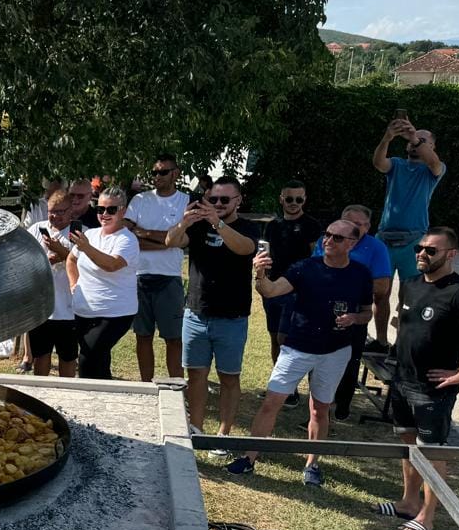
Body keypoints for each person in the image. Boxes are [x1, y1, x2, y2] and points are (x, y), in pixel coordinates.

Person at [370, 228, 459, 530]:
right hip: (402, 381)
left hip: (433, 390)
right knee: (408, 446)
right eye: (420, 248)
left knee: (432, 452)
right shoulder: (411, 284)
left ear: (451, 254)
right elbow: (405, 325)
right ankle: (408, 503)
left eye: (431, 250)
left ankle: (427, 517)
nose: (422, 254)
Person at [229, 217, 374, 483]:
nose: (328, 241)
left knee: (320, 408)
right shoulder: (305, 268)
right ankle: (249, 458)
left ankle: (312, 464)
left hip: (335, 350)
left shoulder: (361, 274)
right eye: (326, 235)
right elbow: (270, 291)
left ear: (353, 243)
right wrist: (259, 273)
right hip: (297, 348)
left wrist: (354, 319)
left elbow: (367, 313)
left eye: (337, 238)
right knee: (271, 402)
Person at [166, 176, 260, 444]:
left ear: (238, 201)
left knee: (229, 378)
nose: (217, 204)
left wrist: (217, 223)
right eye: (213, 199)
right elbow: (170, 241)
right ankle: (195, 428)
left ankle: (223, 434)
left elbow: (246, 249)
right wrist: (186, 220)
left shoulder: (247, 227)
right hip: (196, 314)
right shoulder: (197, 227)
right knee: (196, 375)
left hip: (232, 317)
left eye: (224, 200)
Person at [371, 116, 446, 345]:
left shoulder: (433, 171)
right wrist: (388, 136)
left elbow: (433, 162)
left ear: (431, 147)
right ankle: (382, 341)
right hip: (384, 238)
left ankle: (401, 344)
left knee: (409, 296)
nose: (415, 143)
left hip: (413, 241)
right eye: (412, 140)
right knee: (380, 293)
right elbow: (378, 162)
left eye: (423, 141)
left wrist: (414, 136)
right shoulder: (397, 165)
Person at [318, 204, 394, 422]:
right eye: (350, 224)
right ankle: (320, 406)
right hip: (323, 313)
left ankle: (343, 405)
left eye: (360, 225)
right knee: (319, 361)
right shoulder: (329, 241)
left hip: (355, 315)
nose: (355, 229)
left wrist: (347, 285)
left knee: (349, 363)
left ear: (368, 227)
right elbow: (315, 269)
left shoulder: (376, 248)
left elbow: (381, 287)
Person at [125, 154, 189, 382]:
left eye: (163, 172)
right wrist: (165, 240)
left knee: (174, 338)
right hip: (140, 277)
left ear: (176, 173)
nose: (157, 177)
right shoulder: (140, 200)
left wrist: (144, 233)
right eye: (154, 172)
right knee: (143, 336)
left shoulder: (185, 201)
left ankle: (177, 386)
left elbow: (183, 239)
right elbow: (127, 236)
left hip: (169, 278)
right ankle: (146, 386)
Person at [67, 188, 138, 380]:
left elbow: (112, 264)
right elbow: (71, 260)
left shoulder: (128, 240)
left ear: (123, 211)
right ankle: (107, 397)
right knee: (99, 360)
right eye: (100, 209)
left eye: (111, 210)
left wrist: (86, 248)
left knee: (87, 357)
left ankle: (86, 400)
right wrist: (74, 283)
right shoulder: (90, 234)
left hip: (115, 313)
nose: (104, 214)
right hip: (84, 310)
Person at [260, 181, 323, 372]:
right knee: (274, 338)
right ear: (281, 199)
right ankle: (282, 387)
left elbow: (317, 259)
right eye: (289, 198)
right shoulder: (273, 226)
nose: (294, 203)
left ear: (305, 199)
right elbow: (265, 255)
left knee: (289, 339)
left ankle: (290, 386)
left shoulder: (312, 225)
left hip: (299, 293)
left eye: (299, 199)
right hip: (273, 290)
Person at [25, 189, 78, 377]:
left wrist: (62, 254)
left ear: (71, 210)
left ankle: (69, 393)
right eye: (51, 212)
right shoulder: (36, 230)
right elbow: (25, 259)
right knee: (41, 355)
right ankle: (41, 394)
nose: (55, 216)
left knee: (68, 358)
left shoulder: (80, 233)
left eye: (61, 212)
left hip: (69, 309)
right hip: (42, 309)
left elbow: (87, 265)